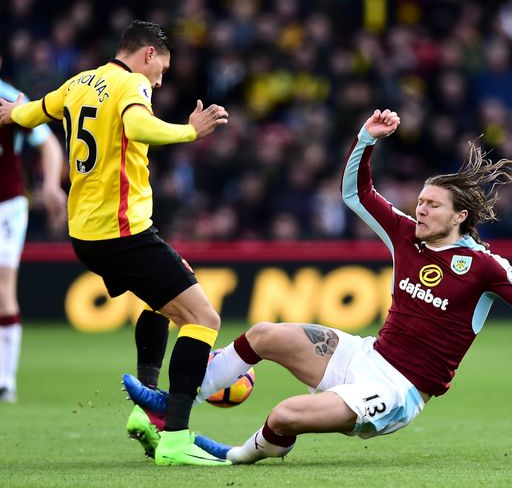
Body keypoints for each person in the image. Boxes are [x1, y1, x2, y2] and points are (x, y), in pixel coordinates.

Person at [123, 108, 512, 464]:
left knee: (285, 415)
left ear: (460, 216)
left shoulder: (485, 267)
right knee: (263, 335)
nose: (421, 209)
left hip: (398, 391)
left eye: (433, 205)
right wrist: (366, 139)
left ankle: (236, 456)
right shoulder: (405, 234)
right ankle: (174, 403)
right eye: (422, 201)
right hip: (365, 355)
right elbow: (356, 194)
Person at [0, 20, 231, 467]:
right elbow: (138, 126)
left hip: (85, 233)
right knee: (204, 318)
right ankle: (176, 436)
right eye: (160, 70)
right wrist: (189, 132)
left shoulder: (79, 82)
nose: (160, 81)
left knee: (165, 299)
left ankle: (147, 410)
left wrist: (11, 112)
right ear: (146, 55)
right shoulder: (130, 85)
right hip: (123, 233)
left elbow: (33, 112)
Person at [0, 56, 67, 403]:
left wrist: (50, 186)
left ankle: (5, 381)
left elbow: (49, 144)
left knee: (3, 288)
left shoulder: (10, 100)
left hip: (6, 206)